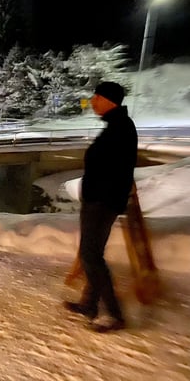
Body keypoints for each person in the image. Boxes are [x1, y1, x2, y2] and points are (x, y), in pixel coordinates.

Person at [63, 81, 138, 333]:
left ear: (109, 100)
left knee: (91, 256)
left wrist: (98, 195)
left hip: (102, 202)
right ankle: (89, 304)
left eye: (97, 97)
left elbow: (114, 170)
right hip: (102, 200)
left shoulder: (120, 128)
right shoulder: (117, 126)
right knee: (92, 254)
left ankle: (114, 314)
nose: (93, 101)